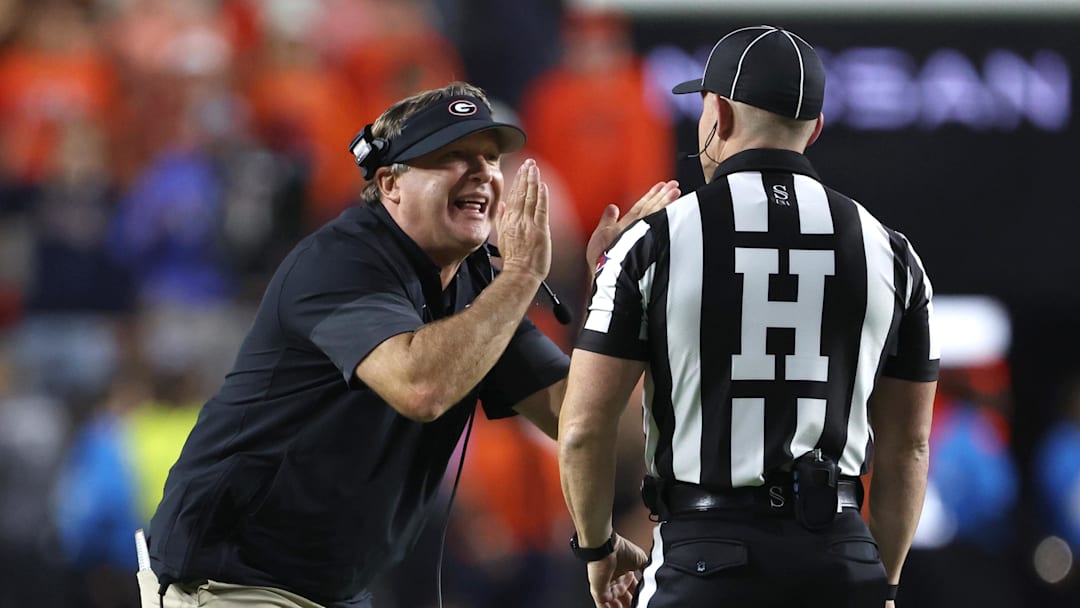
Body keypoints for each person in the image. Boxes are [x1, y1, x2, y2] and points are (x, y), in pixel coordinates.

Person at [138, 81, 677, 608]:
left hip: (331, 591)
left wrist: (616, 295)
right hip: (230, 582)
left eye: (490, 158)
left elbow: (584, 418)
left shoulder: (478, 286)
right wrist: (521, 275)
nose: (483, 174)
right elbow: (421, 386)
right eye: (453, 155)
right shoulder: (341, 259)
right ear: (390, 183)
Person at [558, 25, 939, 608]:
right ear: (814, 129)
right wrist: (880, 584)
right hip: (840, 557)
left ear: (719, 114)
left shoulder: (653, 242)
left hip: (705, 561)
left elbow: (584, 428)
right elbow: (907, 449)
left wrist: (596, 550)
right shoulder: (891, 251)